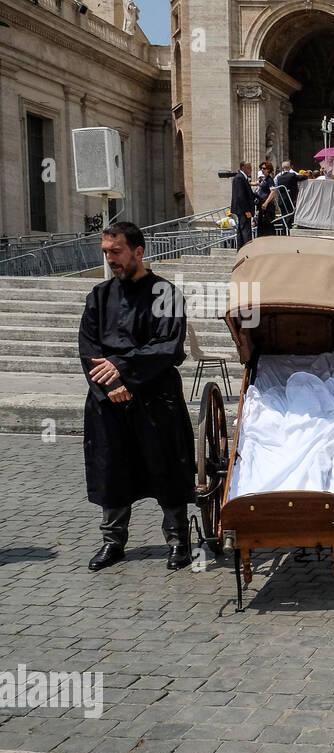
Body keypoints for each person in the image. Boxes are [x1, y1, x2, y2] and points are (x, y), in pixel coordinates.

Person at [79, 222, 195, 572]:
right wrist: (112, 384)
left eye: (116, 252)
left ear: (138, 251)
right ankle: (113, 542)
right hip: (108, 401)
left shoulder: (165, 293)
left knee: (166, 467)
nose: (110, 259)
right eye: (106, 253)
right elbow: (88, 349)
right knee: (111, 468)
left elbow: (167, 347)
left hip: (156, 397)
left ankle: (178, 540)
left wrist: (124, 369)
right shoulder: (98, 297)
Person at [273, 161, 310, 231]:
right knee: (290, 216)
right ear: (289, 167)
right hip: (290, 199)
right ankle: (288, 231)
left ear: (283, 168)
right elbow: (303, 177)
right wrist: (307, 175)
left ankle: (284, 231)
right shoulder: (292, 175)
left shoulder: (279, 177)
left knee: (284, 215)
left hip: (281, 200)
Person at [230, 160, 256, 249]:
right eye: (249, 168)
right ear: (243, 168)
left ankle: (241, 249)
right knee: (245, 231)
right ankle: (246, 249)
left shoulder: (242, 178)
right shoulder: (239, 178)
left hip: (243, 210)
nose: (251, 170)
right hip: (243, 210)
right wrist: (246, 210)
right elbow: (240, 196)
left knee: (242, 231)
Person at [254, 161, 279, 237]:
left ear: (268, 169)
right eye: (261, 168)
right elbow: (256, 183)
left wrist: (266, 203)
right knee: (261, 223)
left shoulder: (269, 179)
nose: (262, 169)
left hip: (267, 206)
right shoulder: (263, 179)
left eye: (264, 168)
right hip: (261, 204)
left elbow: (273, 192)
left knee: (268, 224)